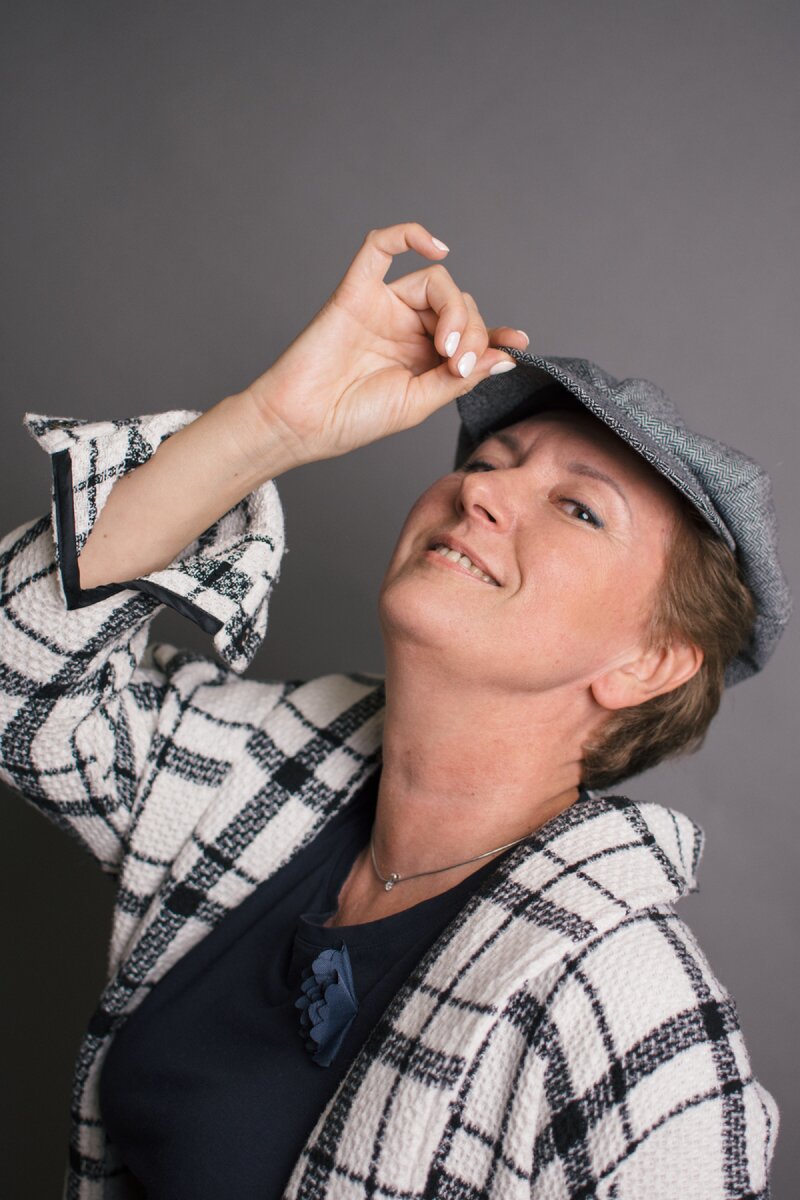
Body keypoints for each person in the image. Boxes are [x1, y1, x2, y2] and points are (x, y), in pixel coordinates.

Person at [0, 221, 788, 1199]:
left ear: (649, 663)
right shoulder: (258, 773)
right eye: (488, 460)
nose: (481, 494)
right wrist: (270, 426)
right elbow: (19, 680)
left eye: (578, 508)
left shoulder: (629, 1013)